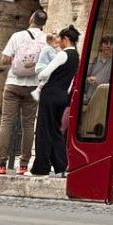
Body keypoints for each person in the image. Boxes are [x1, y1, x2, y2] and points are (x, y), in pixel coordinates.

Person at [0, 8, 47, 175]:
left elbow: (4, 59)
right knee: (28, 125)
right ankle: (23, 165)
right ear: (43, 23)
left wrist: (16, 61)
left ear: (31, 19)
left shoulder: (18, 36)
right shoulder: (46, 40)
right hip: (33, 85)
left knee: (7, 122)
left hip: (13, 83)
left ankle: (1, 165)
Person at [31, 25, 81, 177]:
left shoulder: (63, 55)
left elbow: (44, 73)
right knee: (55, 131)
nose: (58, 41)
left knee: (44, 130)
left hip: (50, 94)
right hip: (63, 95)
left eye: (60, 38)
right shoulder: (76, 56)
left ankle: (41, 167)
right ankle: (61, 166)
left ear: (66, 39)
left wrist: (41, 72)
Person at [83, 36, 113, 105]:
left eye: (111, 44)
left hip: (104, 100)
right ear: (100, 46)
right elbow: (82, 78)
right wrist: (88, 79)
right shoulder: (93, 61)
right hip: (90, 98)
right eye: (106, 43)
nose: (108, 46)